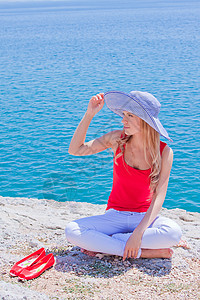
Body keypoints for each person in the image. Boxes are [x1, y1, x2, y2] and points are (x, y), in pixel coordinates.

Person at [65, 90, 182, 260]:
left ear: (145, 121)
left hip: (144, 217)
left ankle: (108, 244)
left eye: (130, 116)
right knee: (72, 230)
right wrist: (89, 114)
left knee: (173, 234)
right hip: (114, 215)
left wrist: (138, 232)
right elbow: (75, 150)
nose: (123, 120)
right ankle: (144, 252)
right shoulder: (117, 139)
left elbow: (159, 196)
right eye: (124, 114)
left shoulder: (164, 152)